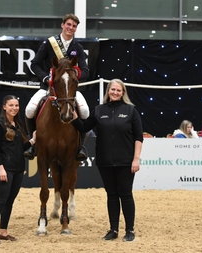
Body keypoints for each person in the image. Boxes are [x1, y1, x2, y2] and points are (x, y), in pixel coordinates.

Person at [72, 79, 143, 242]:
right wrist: (74, 115)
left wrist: (136, 159)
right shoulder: (99, 110)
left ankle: (130, 230)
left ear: (123, 92)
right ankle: (113, 229)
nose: (115, 93)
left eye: (118, 90)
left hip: (126, 162)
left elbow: (139, 137)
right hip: (105, 161)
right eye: (113, 90)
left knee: (125, 195)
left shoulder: (131, 111)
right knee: (111, 195)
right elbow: (83, 127)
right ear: (108, 91)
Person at [24, 13, 90, 161]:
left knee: (85, 111)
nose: (71, 28)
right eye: (68, 24)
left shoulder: (77, 48)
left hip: (69, 89)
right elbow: (35, 63)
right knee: (29, 110)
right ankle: (33, 144)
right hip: (48, 87)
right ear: (62, 25)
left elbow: (86, 71)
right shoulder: (49, 43)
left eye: (74, 26)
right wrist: (45, 78)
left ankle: (80, 146)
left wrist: (73, 76)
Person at [0, 95, 36, 245]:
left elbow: (19, 148)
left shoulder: (18, 124)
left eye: (16, 105)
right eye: (11, 105)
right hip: (6, 168)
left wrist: (33, 141)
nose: (14, 108)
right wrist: (0, 168)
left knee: (9, 201)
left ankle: (3, 231)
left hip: (18, 169)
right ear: (4, 107)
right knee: (1, 200)